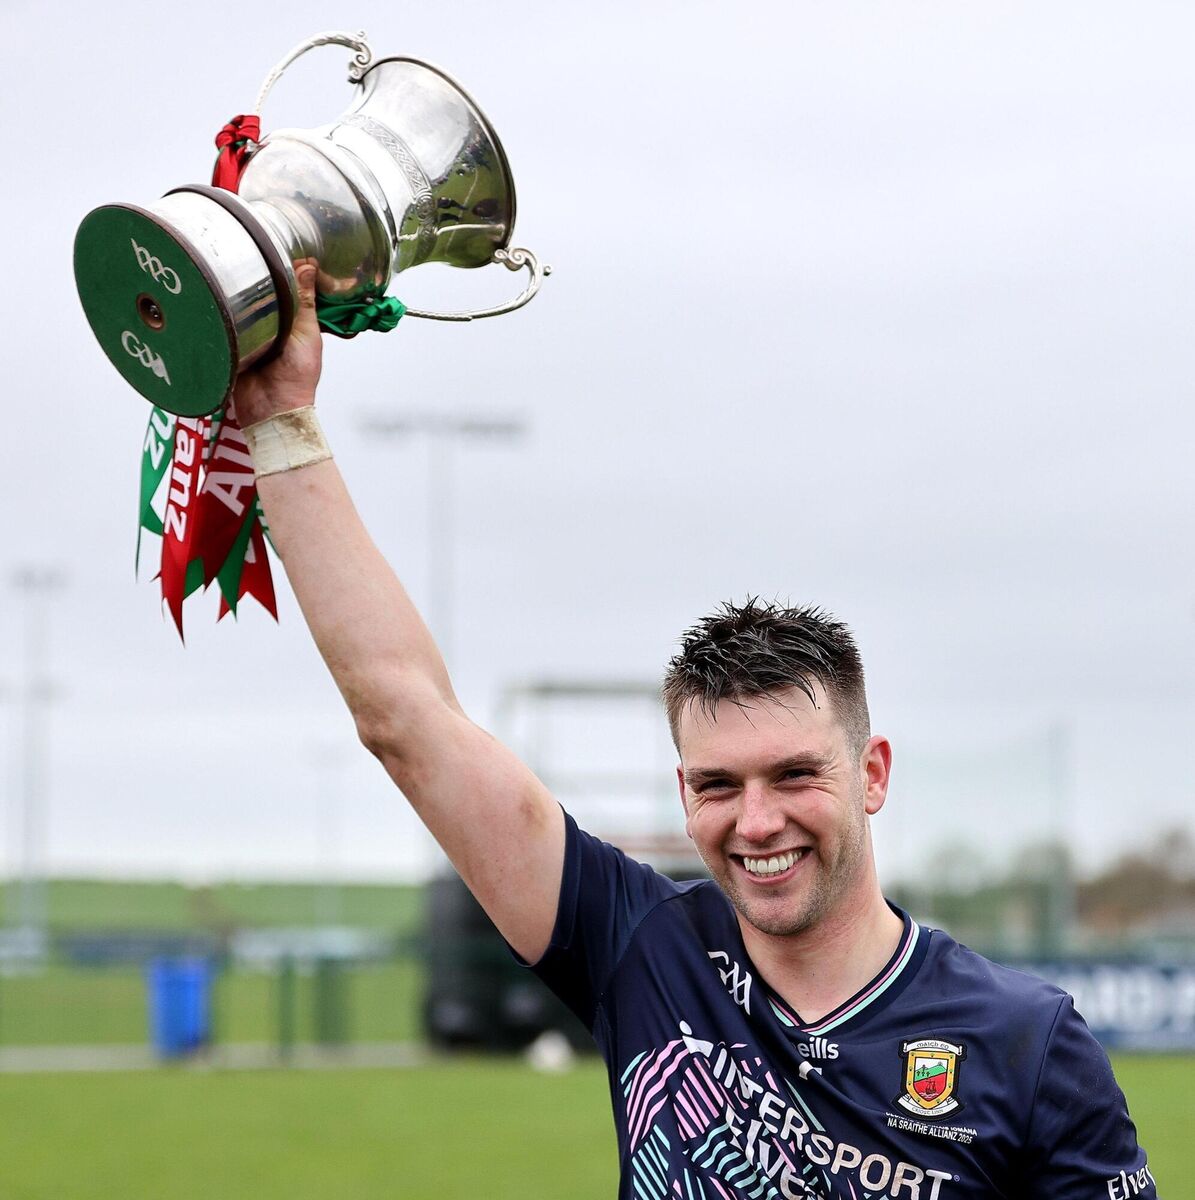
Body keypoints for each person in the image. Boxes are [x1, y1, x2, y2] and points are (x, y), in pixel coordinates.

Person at [235, 265, 1158, 1200]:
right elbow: (406, 720)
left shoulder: (1027, 1042)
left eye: (794, 775)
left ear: (871, 773)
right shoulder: (642, 945)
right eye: (718, 784)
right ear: (685, 794)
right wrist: (279, 418)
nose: (756, 822)